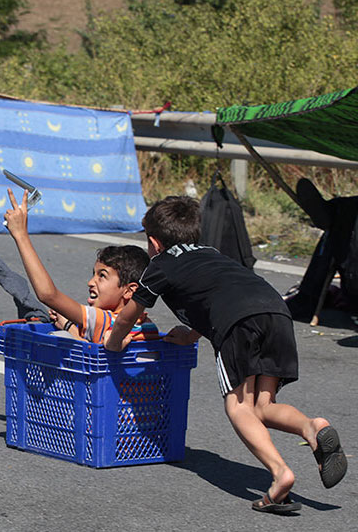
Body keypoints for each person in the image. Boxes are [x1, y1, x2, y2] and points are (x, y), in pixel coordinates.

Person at [103, 195, 348, 514]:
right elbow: (218, 297)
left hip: (238, 323)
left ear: (153, 242)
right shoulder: (211, 254)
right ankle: (312, 428)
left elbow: (128, 315)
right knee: (262, 406)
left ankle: (280, 474)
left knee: (238, 407)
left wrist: (112, 343)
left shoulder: (161, 265)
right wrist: (190, 334)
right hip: (277, 311)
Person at [3, 189, 159, 342]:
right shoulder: (146, 326)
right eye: (94, 274)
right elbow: (97, 352)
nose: (90, 282)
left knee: (58, 338)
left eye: (102, 276)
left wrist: (21, 235)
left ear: (129, 291)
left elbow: (48, 295)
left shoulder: (107, 320)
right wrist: (69, 324)